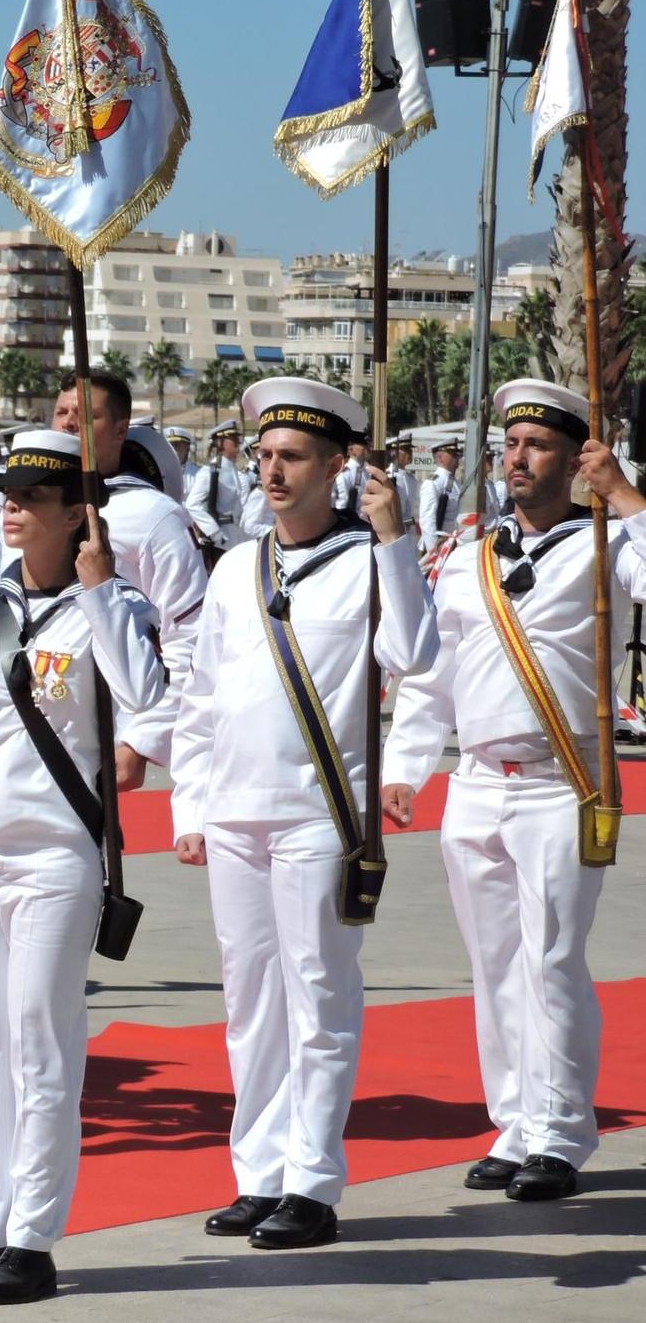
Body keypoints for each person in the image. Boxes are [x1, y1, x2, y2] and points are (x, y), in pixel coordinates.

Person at [171, 376, 438, 1248]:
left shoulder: (366, 562)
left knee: (319, 995)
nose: (273, 472)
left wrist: (394, 540)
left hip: (320, 813)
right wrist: (191, 799)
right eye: (265, 456)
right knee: (250, 1000)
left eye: (292, 458)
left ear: (335, 465)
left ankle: (313, 1181)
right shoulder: (238, 566)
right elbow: (203, 692)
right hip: (238, 808)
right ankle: (259, 1173)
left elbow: (413, 653)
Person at [0, 428, 166, 1305]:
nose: (10, 506)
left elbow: (148, 705)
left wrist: (98, 591)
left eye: (31, 497)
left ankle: (33, 1236)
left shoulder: (113, 605)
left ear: (75, 516)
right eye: (6, 493)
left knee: (39, 1041)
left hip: (54, 853)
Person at [384, 379, 642, 1204]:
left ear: (576, 457)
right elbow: (435, 672)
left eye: (536, 445)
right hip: (476, 782)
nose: (517, 458)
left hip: (561, 782)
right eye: (510, 444)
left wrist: (628, 497)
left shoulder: (607, 540)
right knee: (494, 965)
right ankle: (517, 1121)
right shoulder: (469, 555)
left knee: (552, 962)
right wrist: (404, 764)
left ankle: (563, 1132)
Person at [49, 373, 209, 790]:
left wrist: (141, 739)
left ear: (121, 429)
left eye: (84, 416)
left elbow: (186, 635)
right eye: (61, 412)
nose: (67, 423)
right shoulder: (26, 509)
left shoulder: (153, 515)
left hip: (104, 718)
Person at [184, 419, 250, 566]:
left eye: (237, 438)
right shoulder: (210, 472)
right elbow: (192, 504)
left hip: (236, 536)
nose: (237, 442)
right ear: (220, 443)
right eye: (232, 438)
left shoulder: (234, 471)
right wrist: (214, 533)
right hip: (220, 541)